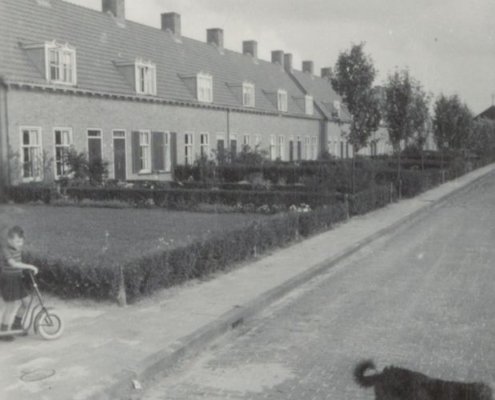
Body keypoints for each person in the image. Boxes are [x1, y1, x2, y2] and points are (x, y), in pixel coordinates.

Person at [0, 226, 38, 341]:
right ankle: (4, 331)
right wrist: (29, 266)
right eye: (17, 241)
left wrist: (24, 270)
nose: (20, 244)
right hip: (9, 280)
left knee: (26, 302)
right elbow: (14, 264)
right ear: (9, 240)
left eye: (21, 241)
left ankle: (17, 324)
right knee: (11, 306)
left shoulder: (17, 248)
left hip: (17, 279)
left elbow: (18, 264)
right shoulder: (5, 250)